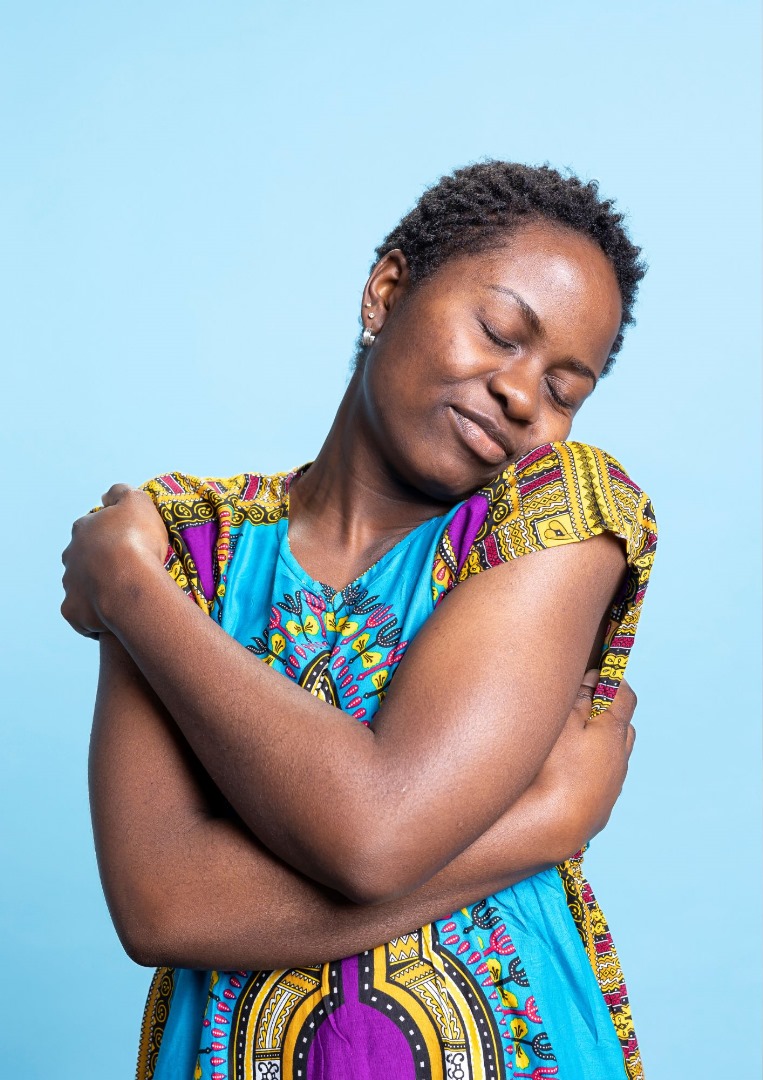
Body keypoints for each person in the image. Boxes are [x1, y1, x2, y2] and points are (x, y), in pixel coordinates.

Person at [62, 161, 657, 1080]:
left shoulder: (557, 514)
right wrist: (543, 821)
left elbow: (375, 836)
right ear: (386, 289)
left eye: (563, 391)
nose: (520, 392)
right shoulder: (187, 541)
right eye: (499, 333)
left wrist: (130, 595)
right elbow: (161, 907)